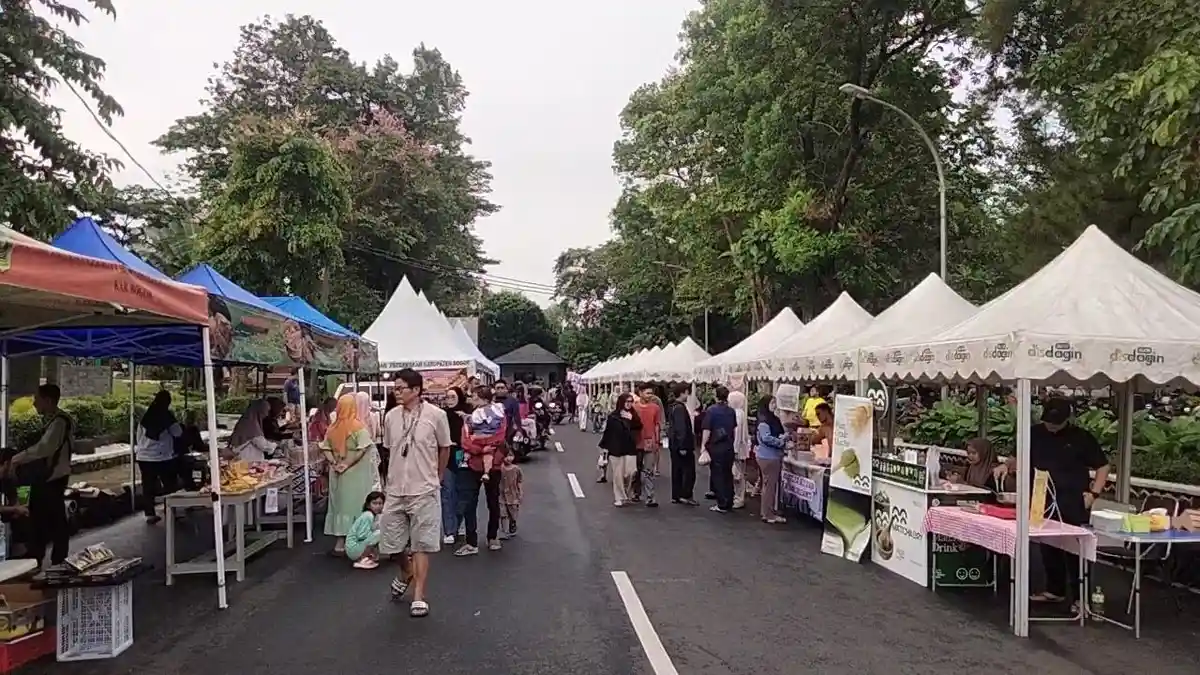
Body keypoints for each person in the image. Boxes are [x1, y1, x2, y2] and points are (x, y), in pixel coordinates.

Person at [994, 398, 1109, 606]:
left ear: (1068, 418)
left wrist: (1094, 493)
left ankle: (1080, 597)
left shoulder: (1081, 438)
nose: (1052, 426)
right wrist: (1006, 466)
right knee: (1047, 545)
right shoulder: (1033, 434)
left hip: (1073, 499)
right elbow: (1016, 458)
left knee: (1075, 549)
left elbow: (1103, 467)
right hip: (1040, 496)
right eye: (1049, 421)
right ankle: (1054, 589)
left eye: (1057, 422)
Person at [381, 369, 451, 618]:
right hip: (396, 488)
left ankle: (418, 595)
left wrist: (438, 477)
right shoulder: (390, 417)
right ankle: (406, 570)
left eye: (401, 388)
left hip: (424, 488)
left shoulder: (436, 416)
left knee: (421, 543)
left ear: (416, 390)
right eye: (395, 388)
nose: (396, 392)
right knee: (392, 542)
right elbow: (389, 450)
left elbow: (445, 448)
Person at [5, 385, 73, 566]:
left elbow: (45, 448)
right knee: (40, 516)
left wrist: (18, 459)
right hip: (46, 478)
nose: (34, 403)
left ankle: (54, 557)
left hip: (53, 478)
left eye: (38, 399)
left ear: (48, 400)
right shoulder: (52, 421)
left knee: (53, 518)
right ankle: (37, 555)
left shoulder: (60, 422)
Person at [321, 394, 379, 556]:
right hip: (356, 474)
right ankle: (356, 542)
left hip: (338, 474)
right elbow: (362, 449)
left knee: (339, 506)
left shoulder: (332, 428)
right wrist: (348, 464)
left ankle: (340, 542)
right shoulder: (358, 427)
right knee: (357, 504)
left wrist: (334, 463)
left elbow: (325, 448)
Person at [456, 386, 507, 555]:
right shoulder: (469, 419)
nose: (471, 400)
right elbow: (465, 440)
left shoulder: (499, 415)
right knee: (470, 503)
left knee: (493, 501)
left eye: (474, 397)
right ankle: (471, 542)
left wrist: (482, 446)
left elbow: (499, 437)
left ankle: (493, 536)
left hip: (494, 465)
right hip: (471, 464)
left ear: (482, 398)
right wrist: (481, 449)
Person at [134, 390, 183, 524]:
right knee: (169, 485)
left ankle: (150, 514)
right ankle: (171, 510)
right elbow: (178, 433)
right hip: (162, 458)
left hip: (143, 457)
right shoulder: (166, 417)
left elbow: (139, 437)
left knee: (148, 486)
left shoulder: (145, 417)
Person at [440, 387, 471, 545]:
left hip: (463, 457)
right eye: (447, 397)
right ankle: (449, 530)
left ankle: (459, 525)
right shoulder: (442, 415)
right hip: (446, 458)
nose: (450, 400)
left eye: (453, 397)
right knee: (447, 495)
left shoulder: (467, 414)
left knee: (461, 493)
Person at [599, 393, 641, 507]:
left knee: (631, 472)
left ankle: (626, 493)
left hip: (630, 447)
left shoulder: (633, 414)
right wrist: (604, 448)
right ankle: (619, 497)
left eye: (631, 401)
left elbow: (639, 426)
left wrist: (631, 419)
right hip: (616, 449)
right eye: (627, 401)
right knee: (618, 474)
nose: (629, 404)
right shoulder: (613, 416)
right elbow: (608, 432)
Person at [702, 386, 737, 513]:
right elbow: (733, 429)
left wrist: (703, 446)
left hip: (716, 446)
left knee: (718, 475)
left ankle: (722, 503)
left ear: (716, 396)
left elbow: (707, 429)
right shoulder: (731, 411)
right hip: (728, 446)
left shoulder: (711, 411)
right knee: (728, 474)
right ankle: (729, 500)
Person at [755, 395, 788, 524]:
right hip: (769, 457)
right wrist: (781, 441)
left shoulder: (770, 419)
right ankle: (768, 514)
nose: (774, 405)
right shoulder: (764, 421)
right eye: (772, 402)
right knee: (769, 486)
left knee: (768, 486)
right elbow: (766, 438)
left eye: (775, 402)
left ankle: (767, 511)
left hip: (769, 456)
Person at [631, 383, 662, 507]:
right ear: (640, 393)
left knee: (649, 471)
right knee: (636, 470)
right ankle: (636, 493)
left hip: (650, 442)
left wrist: (657, 441)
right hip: (636, 442)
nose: (650, 395)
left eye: (651, 393)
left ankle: (650, 497)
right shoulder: (634, 408)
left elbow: (657, 425)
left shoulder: (655, 408)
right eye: (647, 393)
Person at [667, 383, 698, 505]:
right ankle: (685, 494)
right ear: (683, 392)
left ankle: (676, 494)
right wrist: (683, 445)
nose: (688, 395)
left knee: (677, 470)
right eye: (687, 393)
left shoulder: (673, 406)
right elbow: (681, 428)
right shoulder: (679, 408)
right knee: (688, 471)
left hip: (674, 444)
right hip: (681, 445)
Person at [346, 491, 385, 569]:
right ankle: (362, 559)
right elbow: (361, 535)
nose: (378, 506)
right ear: (368, 504)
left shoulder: (373, 515)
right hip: (353, 548)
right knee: (379, 533)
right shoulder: (368, 515)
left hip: (356, 547)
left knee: (379, 532)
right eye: (374, 503)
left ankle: (368, 557)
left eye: (380, 503)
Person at [355, 391, 383, 490]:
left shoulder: (354, 418)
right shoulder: (373, 416)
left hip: (358, 451)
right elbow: (379, 432)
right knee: (373, 476)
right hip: (371, 448)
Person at [729, 390, 751, 509]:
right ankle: (739, 497)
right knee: (740, 473)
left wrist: (734, 449)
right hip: (742, 448)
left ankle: (738, 498)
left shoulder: (736, 414)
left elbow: (737, 434)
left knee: (736, 475)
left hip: (737, 449)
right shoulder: (741, 412)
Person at [499, 451, 523, 538]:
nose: (508, 458)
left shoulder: (516, 469)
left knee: (513, 512)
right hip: (501, 494)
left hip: (513, 494)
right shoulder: (500, 468)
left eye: (510, 456)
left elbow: (519, 481)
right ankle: (504, 531)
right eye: (506, 456)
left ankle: (513, 523)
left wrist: (520, 492)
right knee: (502, 513)